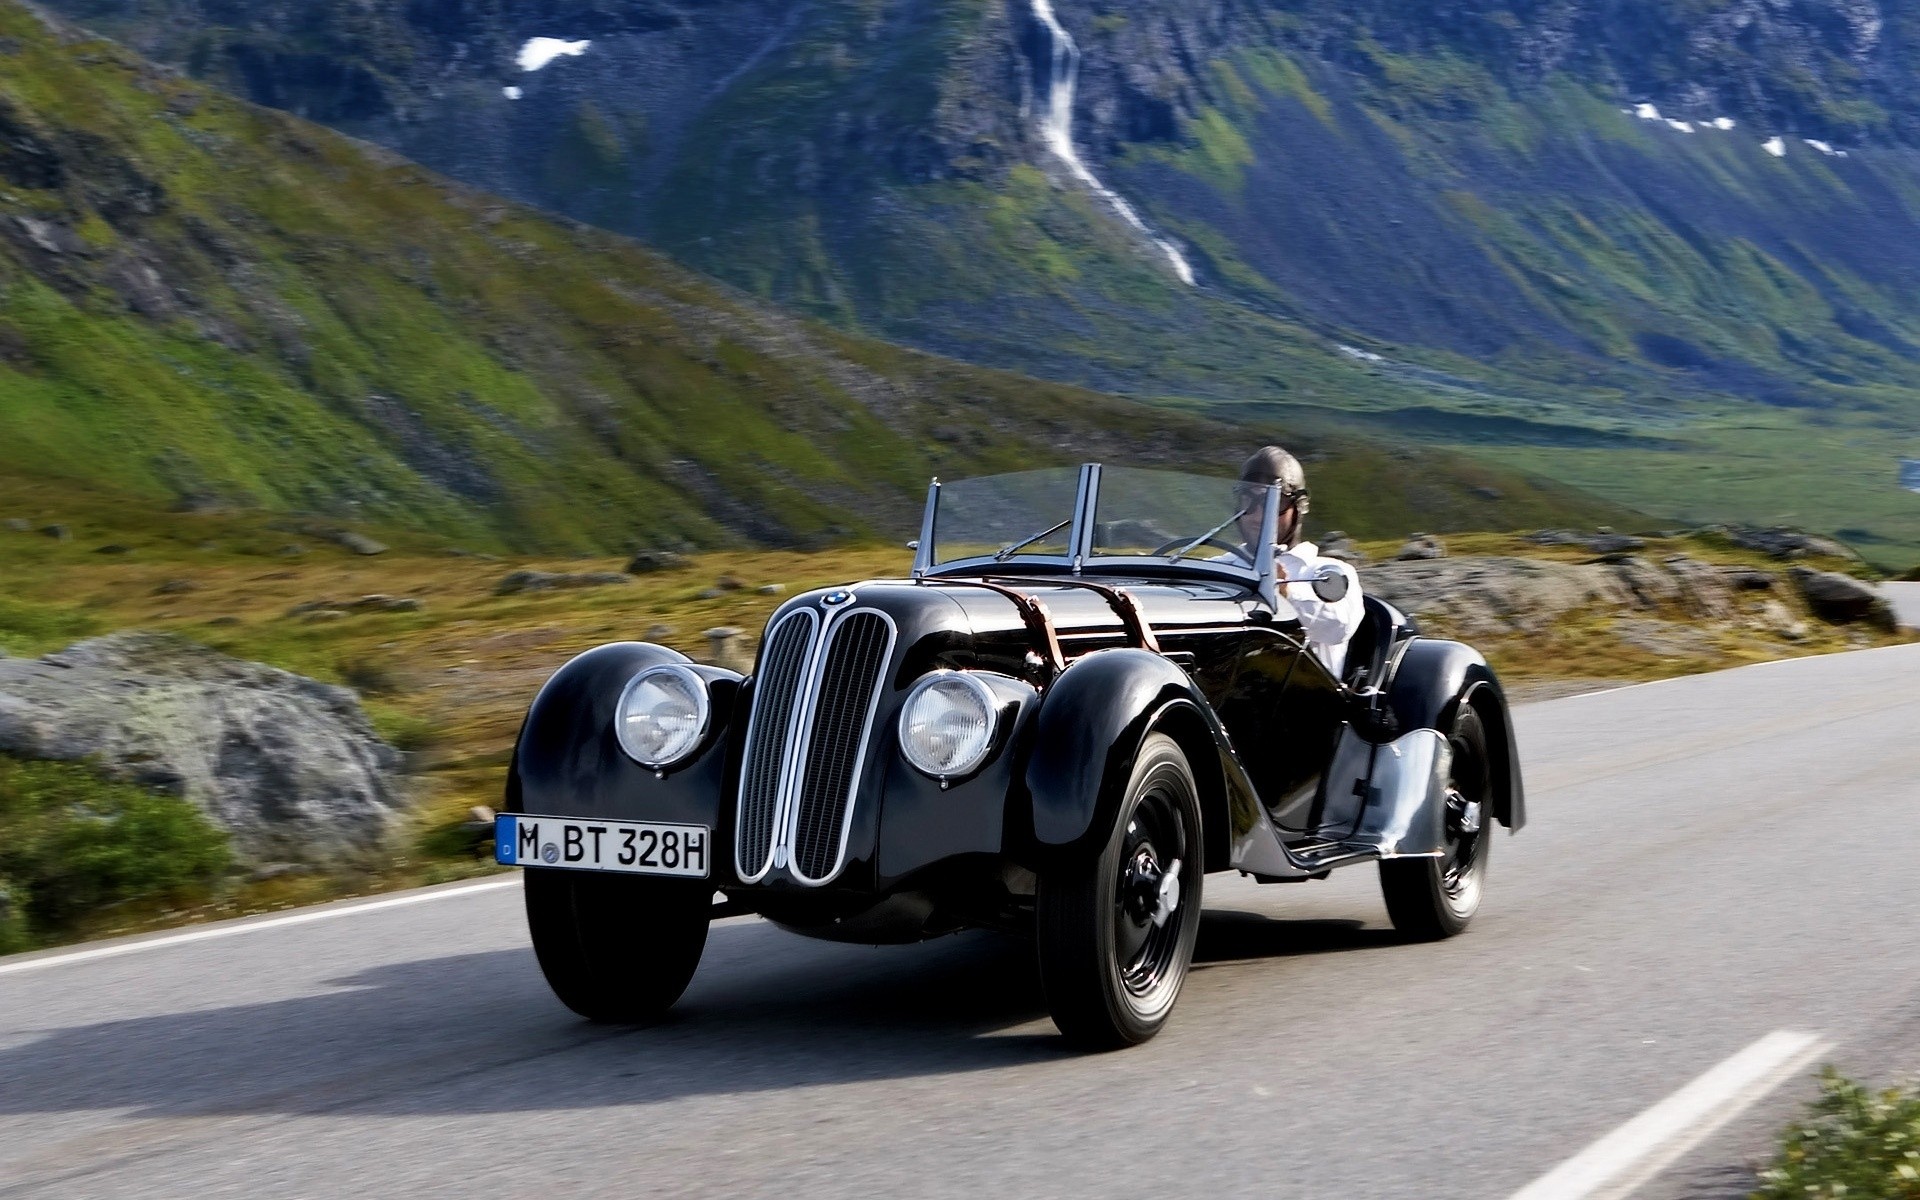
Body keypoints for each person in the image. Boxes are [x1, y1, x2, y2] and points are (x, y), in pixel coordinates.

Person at [1235, 445, 1364, 678]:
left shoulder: (1329, 572)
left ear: (1299, 506)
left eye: (1271, 502)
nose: (1256, 514)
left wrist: (1286, 594)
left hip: (1305, 703)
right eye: (1248, 500)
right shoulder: (1222, 565)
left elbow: (1339, 627)